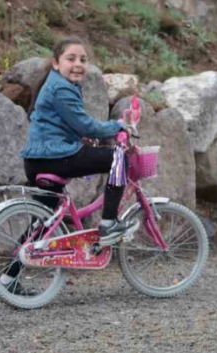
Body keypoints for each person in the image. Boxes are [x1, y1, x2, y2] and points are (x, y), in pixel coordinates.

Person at [20, 36, 130, 244]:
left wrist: (86, 138)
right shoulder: (61, 88)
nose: (78, 64)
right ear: (56, 63)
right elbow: (85, 125)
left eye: (83, 59)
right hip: (56, 156)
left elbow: (68, 124)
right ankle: (109, 223)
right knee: (119, 158)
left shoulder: (56, 83)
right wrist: (117, 127)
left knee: (43, 222)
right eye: (71, 59)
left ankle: (9, 274)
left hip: (38, 160)